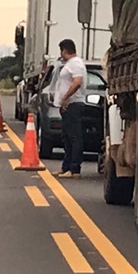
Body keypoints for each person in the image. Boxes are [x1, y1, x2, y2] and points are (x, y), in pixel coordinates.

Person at [54, 39, 87, 178]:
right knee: (66, 137)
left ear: (65, 50)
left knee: (74, 137)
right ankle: (66, 166)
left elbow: (77, 82)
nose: (61, 54)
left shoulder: (76, 64)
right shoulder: (70, 64)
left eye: (61, 51)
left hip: (73, 104)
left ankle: (74, 169)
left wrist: (66, 97)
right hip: (67, 105)